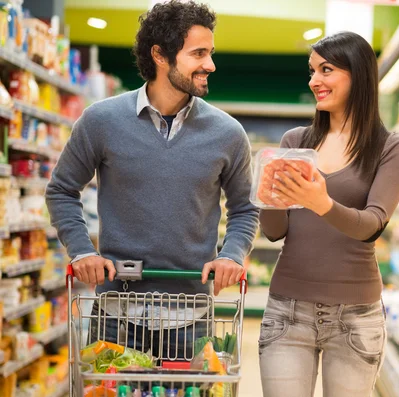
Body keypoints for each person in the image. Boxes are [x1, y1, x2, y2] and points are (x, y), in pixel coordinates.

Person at [45, 0, 258, 360]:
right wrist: (82, 249)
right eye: (199, 53)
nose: (211, 64)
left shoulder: (228, 133)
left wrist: (233, 255)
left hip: (190, 318)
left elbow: (245, 209)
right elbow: (62, 190)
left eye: (210, 52)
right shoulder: (101, 121)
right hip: (115, 315)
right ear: (160, 55)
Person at [258, 31, 399, 397]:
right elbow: (273, 232)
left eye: (326, 70)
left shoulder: (391, 147)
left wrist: (320, 201)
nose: (314, 81)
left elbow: (372, 224)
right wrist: (269, 195)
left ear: (357, 74)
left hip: (355, 319)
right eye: (311, 71)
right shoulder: (296, 143)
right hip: (287, 312)